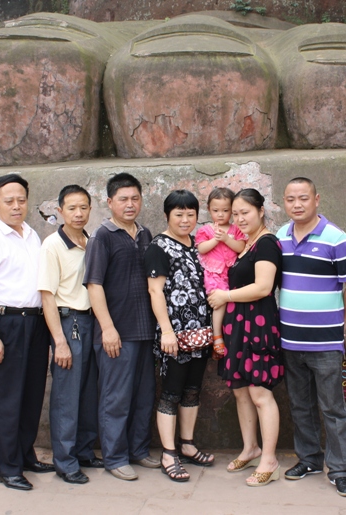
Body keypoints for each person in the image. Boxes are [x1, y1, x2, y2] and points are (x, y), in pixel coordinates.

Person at [276, 177, 346, 498]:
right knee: (300, 405)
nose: (297, 204)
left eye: (303, 198)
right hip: (290, 341)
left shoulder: (336, 238)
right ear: (284, 203)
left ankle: (340, 470)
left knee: (333, 408)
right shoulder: (279, 237)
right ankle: (309, 459)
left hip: (325, 342)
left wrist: (341, 321)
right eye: (290, 199)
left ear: (317, 199)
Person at [0, 173, 53, 491]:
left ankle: (24, 454)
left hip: (35, 322)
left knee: (31, 394)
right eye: (9, 201)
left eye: (21, 200)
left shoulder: (32, 234)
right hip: (5, 323)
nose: (17, 206)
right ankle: (6, 468)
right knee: (6, 398)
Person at [83, 172, 160, 481]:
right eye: (123, 199)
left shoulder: (144, 233)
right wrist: (107, 328)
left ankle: (138, 450)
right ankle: (114, 457)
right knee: (115, 397)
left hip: (145, 330)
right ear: (110, 202)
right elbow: (94, 284)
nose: (130, 205)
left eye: (135, 199)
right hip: (117, 332)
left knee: (143, 396)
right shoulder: (102, 236)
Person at [207, 188, 284, 487]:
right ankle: (250, 448)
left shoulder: (266, 243)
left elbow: (264, 287)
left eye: (245, 213)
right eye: (235, 214)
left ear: (261, 211)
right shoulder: (245, 244)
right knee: (240, 390)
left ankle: (269, 459)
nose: (239, 219)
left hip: (259, 324)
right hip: (238, 324)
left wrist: (225, 295)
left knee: (260, 393)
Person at [145, 189, 216, 482]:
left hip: (199, 335)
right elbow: (154, 290)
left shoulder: (195, 244)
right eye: (179, 214)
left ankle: (187, 444)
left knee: (192, 391)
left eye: (191, 214)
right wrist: (167, 331)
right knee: (171, 393)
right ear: (167, 216)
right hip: (174, 335)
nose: (186, 220)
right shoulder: (159, 247)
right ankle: (168, 452)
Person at [38, 184, 103, 485]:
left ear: (90, 209)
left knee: (88, 390)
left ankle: (84, 450)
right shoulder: (53, 245)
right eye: (72, 208)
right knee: (67, 394)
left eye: (84, 207)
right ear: (60, 210)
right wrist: (59, 342)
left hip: (90, 322)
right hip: (69, 323)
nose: (78, 213)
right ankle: (64, 461)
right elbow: (47, 296)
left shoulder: (89, 240)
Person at [195, 188, 246, 359]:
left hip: (232, 271)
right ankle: (217, 336)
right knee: (220, 302)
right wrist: (215, 239)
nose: (221, 214)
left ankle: (230, 335)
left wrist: (227, 239)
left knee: (232, 303)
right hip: (214, 273)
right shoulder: (206, 230)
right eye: (216, 210)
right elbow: (201, 248)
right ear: (209, 209)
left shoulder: (235, 229)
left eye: (225, 211)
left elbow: (241, 247)